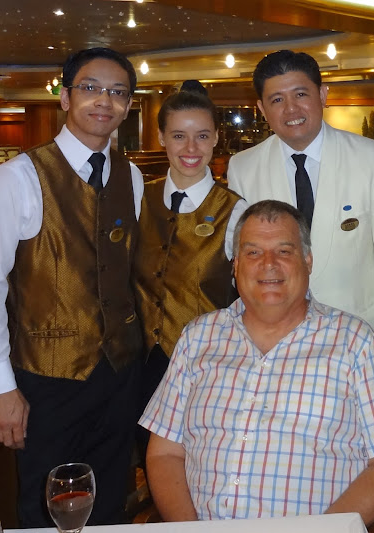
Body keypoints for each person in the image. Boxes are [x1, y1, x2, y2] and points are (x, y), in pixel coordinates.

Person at [139, 200, 374, 524]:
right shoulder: (197, 338)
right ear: (235, 265)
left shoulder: (354, 342)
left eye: (284, 251)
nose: (268, 264)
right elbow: (165, 452)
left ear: (308, 261)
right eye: (253, 252)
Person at [0, 47, 144, 526]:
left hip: (119, 373)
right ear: (65, 97)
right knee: (45, 507)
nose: (104, 100)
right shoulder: (17, 178)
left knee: (110, 499)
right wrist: (1, 388)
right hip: (47, 380)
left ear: (128, 105)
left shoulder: (131, 175)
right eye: (90, 88)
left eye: (117, 92)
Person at [227, 50, 374, 387]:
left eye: (301, 94)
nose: (291, 109)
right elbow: (243, 262)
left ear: (323, 95)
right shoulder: (243, 167)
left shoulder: (373, 158)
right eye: (277, 100)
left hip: (357, 342)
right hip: (274, 346)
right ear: (262, 109)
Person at [133, 81, 247, 467]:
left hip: (208, 368)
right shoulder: (138, 198)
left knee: (201, 467)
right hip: (141, 367)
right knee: (151, 462)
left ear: (215, 138)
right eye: (179, 135)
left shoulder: (235, 211)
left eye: (201, 135)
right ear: (162, 137)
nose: (191, 148)